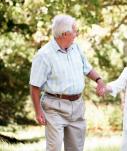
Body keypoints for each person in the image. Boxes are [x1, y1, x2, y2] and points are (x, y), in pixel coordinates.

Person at [29, 14, 105, 151]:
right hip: (54, 107)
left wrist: (99, 80)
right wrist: (38, 111)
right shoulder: (44, 55)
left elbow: (87, 69)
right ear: (65, 34)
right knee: (54, 148)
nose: (77, 34)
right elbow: (35, 86)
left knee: (76, 148)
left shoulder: (76, 48)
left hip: (77, 106)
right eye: (75, 31)